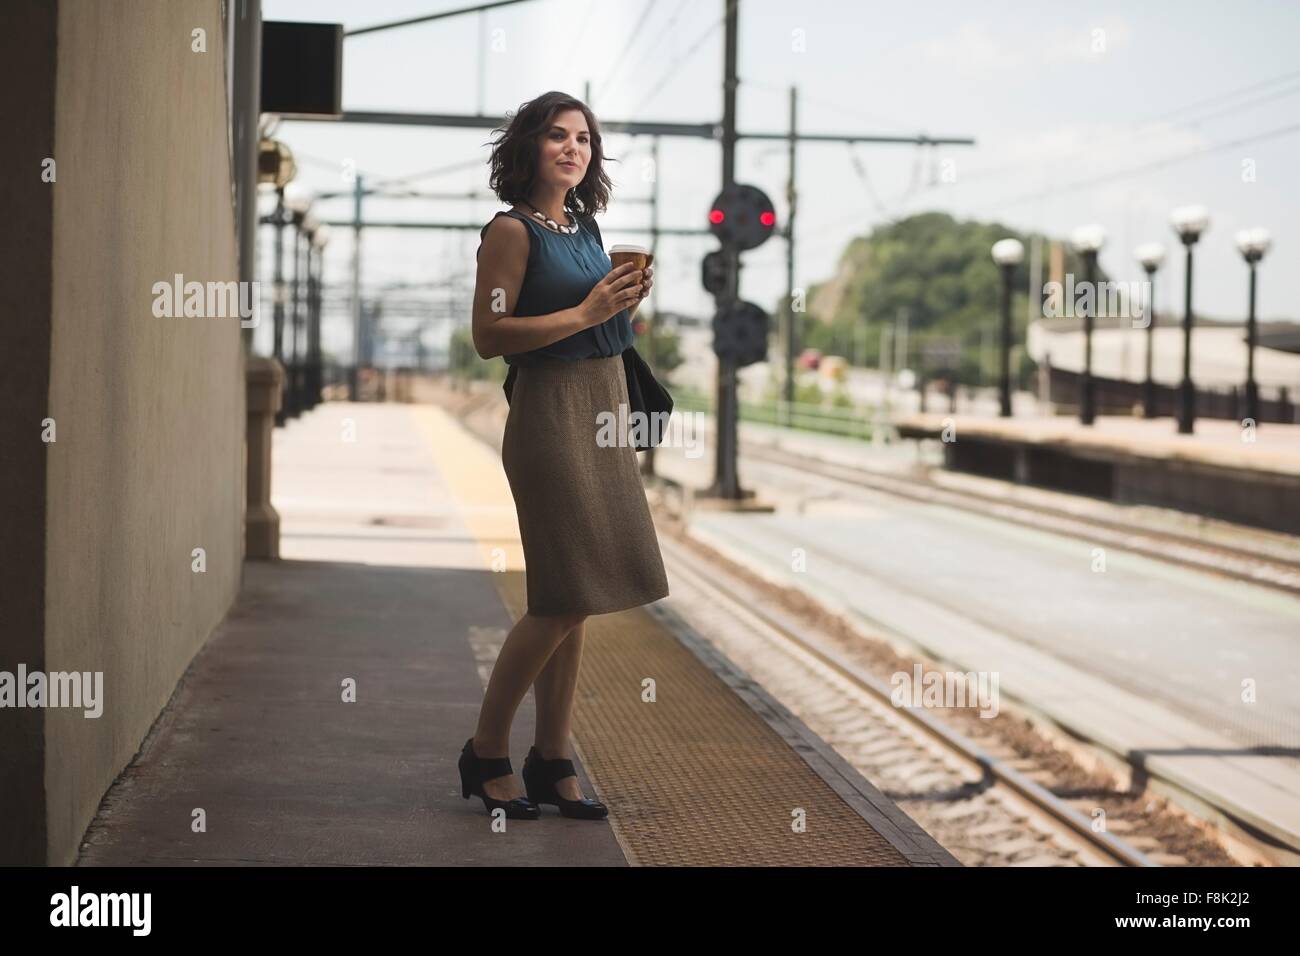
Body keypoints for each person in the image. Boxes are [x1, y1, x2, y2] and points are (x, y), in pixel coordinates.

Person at [459, 91, 670, 821]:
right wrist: (585, 313)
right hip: (551, 413)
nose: (574, 148)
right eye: (557, 136)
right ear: (529, 147)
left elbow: (596, 323)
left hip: (605, 404)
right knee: (558, 597)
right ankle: (486, 749)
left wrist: (622, 299)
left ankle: (552, 757)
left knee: (580, 596)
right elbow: (489, 337)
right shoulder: (510, 232)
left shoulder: (583, 224)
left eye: (584, 138)